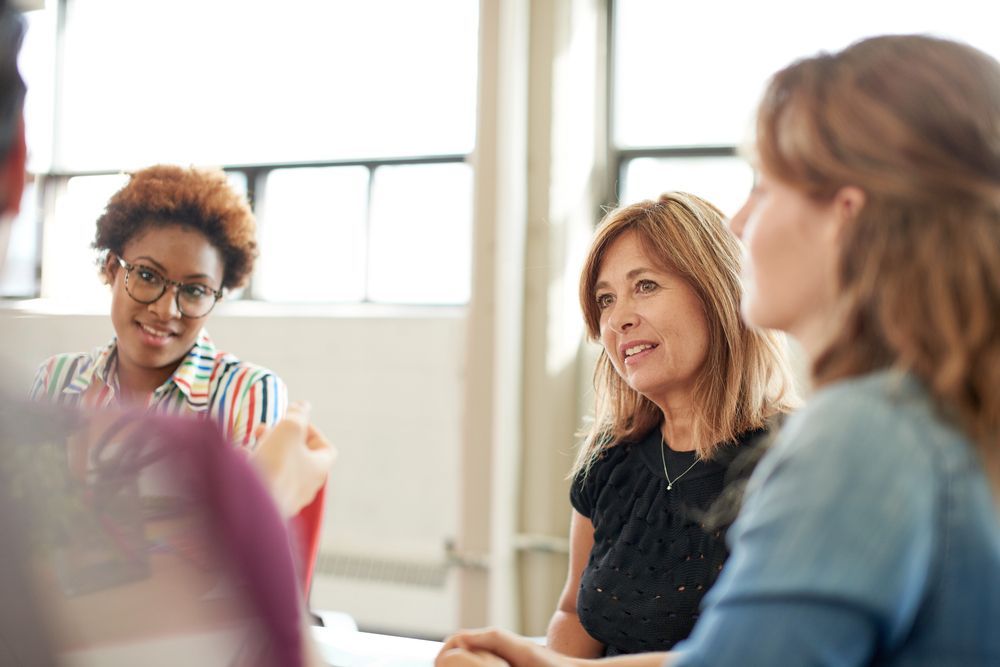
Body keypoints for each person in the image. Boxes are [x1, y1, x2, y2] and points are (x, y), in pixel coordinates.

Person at [437, 33, 1000, 666]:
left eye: (766, 186)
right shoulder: (939, 425)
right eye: (604, 299)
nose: (738, 222)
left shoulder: (862, 434)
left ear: (844, 217)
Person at [547, 192, 798, 656]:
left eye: (645, 285)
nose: (619, 318)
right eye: (605, 300)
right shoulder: (608, 460)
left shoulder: (795, 459)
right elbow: (572, 614)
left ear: (717, 291)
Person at [30, 163, 284, 450]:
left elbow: (253, 496)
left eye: (195, 290)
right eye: (148, 276)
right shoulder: (57, 379)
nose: (166, 311)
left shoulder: (247, 393)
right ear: (113, 268)